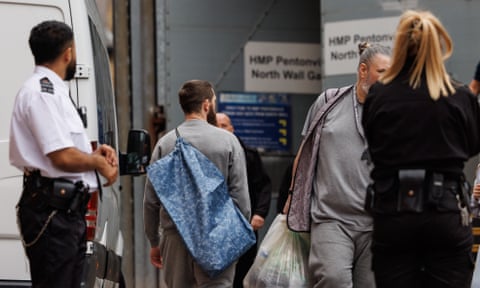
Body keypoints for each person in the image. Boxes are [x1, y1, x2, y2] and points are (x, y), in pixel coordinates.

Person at [362, 10, 480, 288]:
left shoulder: (380, 95)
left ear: (399, 46)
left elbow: (372, 141)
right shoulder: (458, 95)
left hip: (394, 212)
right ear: (438, 46)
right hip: (446, 211)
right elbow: (473, 143)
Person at [9, 20, 118, 288]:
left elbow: (64, 147)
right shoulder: (42, 93)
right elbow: (60, 156)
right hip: (53, 211)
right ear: (68, 53)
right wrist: (98, 163)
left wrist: (94, 152)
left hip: (62, 212)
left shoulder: (53, 90)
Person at [284, 42, 391, 288]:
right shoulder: (329, 101)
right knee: (333, 279)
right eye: (382, 72)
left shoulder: (394, 112)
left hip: (378, 221)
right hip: (331, 217)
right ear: (363, 71)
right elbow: (306, 151)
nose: (387, 81)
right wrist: (293, 195)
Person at [144, 80, 250, 287]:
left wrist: (154, 242)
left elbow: (151, 201)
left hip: (176, 239)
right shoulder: (228, 141)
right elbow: (241, 198)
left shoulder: (165, 143)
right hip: (218, 235)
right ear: (206, 105)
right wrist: (235, 237)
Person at [215, 112, 272, 288]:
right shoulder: (206, 153)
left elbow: (263, 186)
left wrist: (259, 213)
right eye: (217, 125)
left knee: (243, 272)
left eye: (224, 125)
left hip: (246, 225)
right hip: (217, 227)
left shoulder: (249, 154)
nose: (221, 129)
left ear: (232, 129)